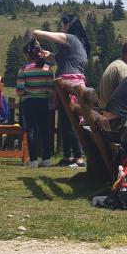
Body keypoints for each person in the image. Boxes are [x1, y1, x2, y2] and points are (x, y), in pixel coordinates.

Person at [32, 15, 89, 167]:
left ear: (68, 25)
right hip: (67, 84)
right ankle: (68, 156)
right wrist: (50, 55)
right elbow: (62, 60)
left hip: (71, 85)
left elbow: (42, 34)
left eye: (62, 25)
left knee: (72, 122)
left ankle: (78, 158)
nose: (61, 28)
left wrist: (36, 34)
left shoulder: (71, 39)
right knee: (66, 121)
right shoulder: (76, 43)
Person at [16, 36, 56, 168]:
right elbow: (51, 89)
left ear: (28, 55)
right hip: (43, 102)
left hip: (28, 103)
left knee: (31, 131)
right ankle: (46, 158)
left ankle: (33, 160)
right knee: (45, 130)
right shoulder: (47, 69)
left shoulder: (24, 69)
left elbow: (20, 91)